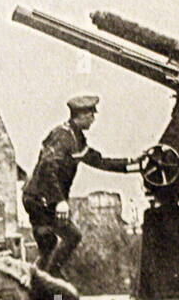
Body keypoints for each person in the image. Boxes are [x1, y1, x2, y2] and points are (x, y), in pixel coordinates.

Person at [22, 95, 135, 273]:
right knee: (69, 237)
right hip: (40, 200)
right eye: (91, 115)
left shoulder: (76, 137)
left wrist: (131, 163)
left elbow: (98, 161)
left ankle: (42, 284)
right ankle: (44, 281)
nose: (93, 119)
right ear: (81, 115)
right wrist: (59, 201)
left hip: (44, 199)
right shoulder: (63, 136)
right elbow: (47, 167)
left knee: (51, 249)